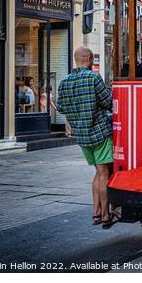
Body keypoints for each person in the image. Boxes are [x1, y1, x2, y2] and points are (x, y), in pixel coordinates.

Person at [55, 46, 118, 228]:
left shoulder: (64, 82)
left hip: (82, 136)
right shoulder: (93, 78)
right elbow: (108, 102)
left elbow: (61, 108)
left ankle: (96, 213)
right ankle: (106, 215)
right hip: (99, 132)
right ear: (89, 59)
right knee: (104, 173)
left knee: (97, 173)